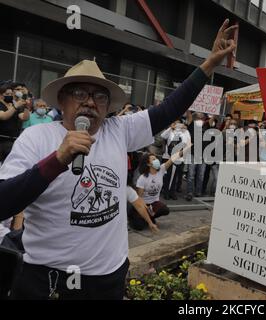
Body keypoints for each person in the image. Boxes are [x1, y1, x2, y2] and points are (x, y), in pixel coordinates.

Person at [0, 19, 237, 300]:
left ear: (107, 105)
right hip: (49, 281)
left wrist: (209, 63)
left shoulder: (119, 129)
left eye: (99, 95)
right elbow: (4, 202)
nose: (90, 101)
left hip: (108, 279)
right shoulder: (36, 138)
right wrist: (58, 159)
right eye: (79, 93)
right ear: (61, 100)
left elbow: (170, 107)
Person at [0, 85, 29, 162]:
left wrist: (27, 108)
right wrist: (16, 106)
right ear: (1, 95)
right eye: (7, 94)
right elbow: (4, 116)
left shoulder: (12, 105)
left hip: (13, 141)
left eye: (11, 94)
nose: (10, 96)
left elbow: (24, 117)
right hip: (2, 140)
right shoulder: (3, 105)